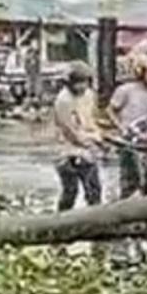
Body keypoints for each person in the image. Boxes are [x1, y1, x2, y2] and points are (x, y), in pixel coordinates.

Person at [108, 54, 147, 198]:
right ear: (141, 71)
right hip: (129, 140)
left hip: (146, 140)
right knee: (129, 178)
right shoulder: (126, 90)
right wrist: (121, 127)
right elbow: (110, 110)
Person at [53, 61, 102, 212]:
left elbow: (91, 119)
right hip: (68, 151)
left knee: (94, 189)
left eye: (85, 82)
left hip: (88, 146)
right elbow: (69, 131)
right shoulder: (63, 101)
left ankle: (96, 219)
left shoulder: (89, 95)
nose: (82, 86)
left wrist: (97, 135)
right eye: (78, 83)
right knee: (70, 191)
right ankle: (60, 221)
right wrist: (88, 141)